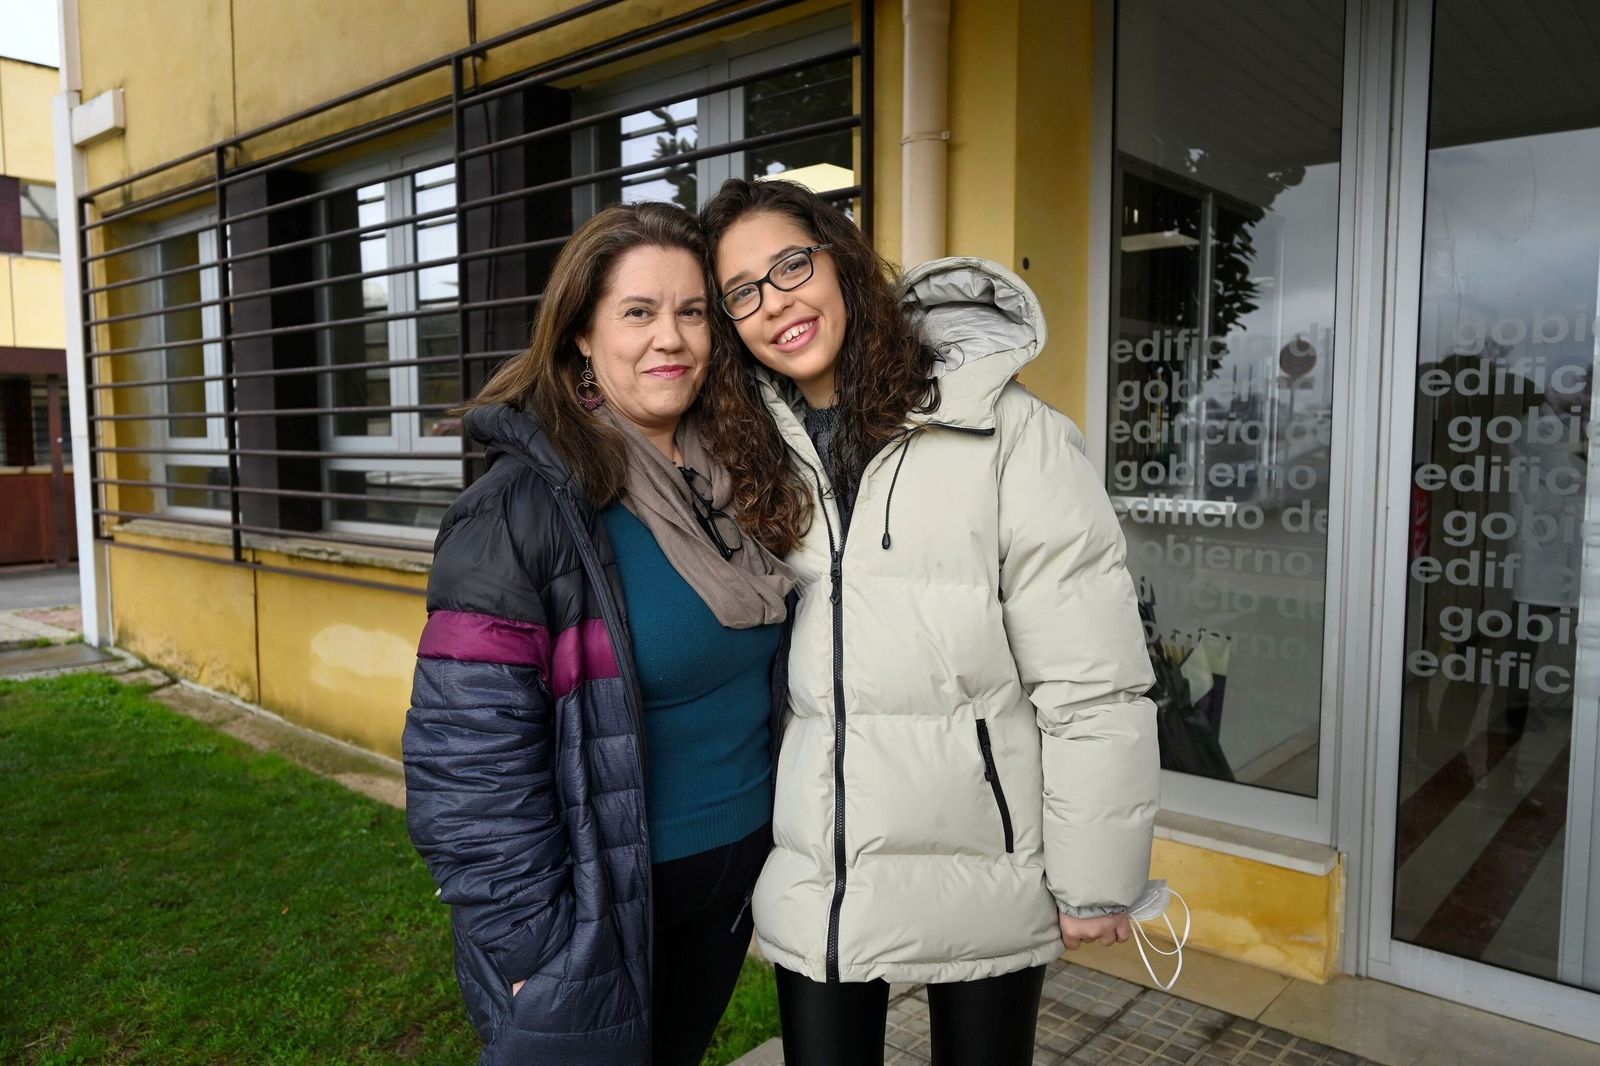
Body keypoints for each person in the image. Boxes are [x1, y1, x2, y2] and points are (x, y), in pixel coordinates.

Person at [699, 178, 1160, 1066]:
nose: (776, 303)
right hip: (819, 866)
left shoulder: (1011, 432)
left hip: (981, 856)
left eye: (792, 263)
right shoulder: (745, 452)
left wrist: (1098, 875)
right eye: (742, 292)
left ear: (842, 259)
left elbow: (1091, 672)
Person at [402, 202, 795, 1066]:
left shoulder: (741, 475)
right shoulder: (518, 514)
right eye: (639, 312)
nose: (673, 339)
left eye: (693, 311)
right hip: (605, 902)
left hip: (732, 883)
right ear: (582, 333)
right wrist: (530, 950)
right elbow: (465, 765)